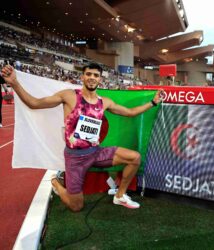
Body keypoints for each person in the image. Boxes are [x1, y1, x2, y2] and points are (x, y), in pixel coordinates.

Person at [1, 63, 162, 211]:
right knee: (76, 206)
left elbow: (130, 113)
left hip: (95, 152)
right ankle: (56, 182)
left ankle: (120, 196)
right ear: (82, 77)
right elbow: (34, 103)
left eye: (96, 75)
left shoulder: (104, 102)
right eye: (89, 74)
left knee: (134, 158)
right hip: (75, 159)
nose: (92, 77)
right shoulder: (69, 96)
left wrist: (153, 103)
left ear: (100, 79)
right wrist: (14, 83)